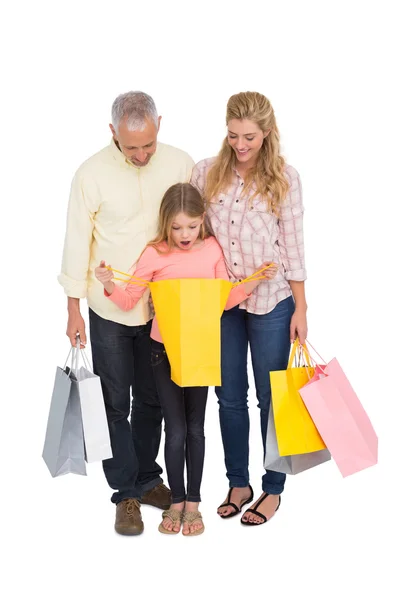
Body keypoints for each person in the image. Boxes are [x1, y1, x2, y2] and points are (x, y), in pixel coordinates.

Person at [94, 182, 278, 535]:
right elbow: (130, 299)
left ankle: (193, 504)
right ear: (165, 223)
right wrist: (108, 283)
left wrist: (255, 281)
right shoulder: (154, 254)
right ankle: (175, 501)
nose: (184, 234)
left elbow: (223, 298)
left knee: (195, 428)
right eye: (176, 227)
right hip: (162, 351)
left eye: (191, 226)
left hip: (200, 348)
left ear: (202, 220)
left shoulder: (211, 249)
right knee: (174, 429)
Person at [58, 91, 194, 536]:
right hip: (109, 309)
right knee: (116, 403)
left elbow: (193, 226)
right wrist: (73, 309)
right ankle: (126, 495)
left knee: (152, 400)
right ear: (112, 131)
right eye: (131, 146)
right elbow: (76, 242)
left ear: (159, 125)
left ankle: (148, 478)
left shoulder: (179, 163)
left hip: (161, 309)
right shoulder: (90, 174)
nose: (141, 154)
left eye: (148, 144)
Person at [190, 91, 308, 526]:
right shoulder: (206, 172)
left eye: (250, 138)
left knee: (270, 397)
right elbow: (191, 232)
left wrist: (301, 307)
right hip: (223, 302)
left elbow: (293, 245)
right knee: (228, 397)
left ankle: (272, 489)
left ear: (268, 133)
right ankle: (238, 483)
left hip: (270, 301)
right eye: (234, 135)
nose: (240, 145)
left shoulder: (284, 178)